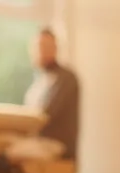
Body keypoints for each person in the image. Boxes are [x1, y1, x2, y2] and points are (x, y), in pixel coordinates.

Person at [24, 27, 80, 161]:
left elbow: (46, 115)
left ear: (55, 48)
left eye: (46, 46)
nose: (41, 52)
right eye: (39, 47)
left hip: (58, 151)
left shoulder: (66, 79)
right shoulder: (38, 83)